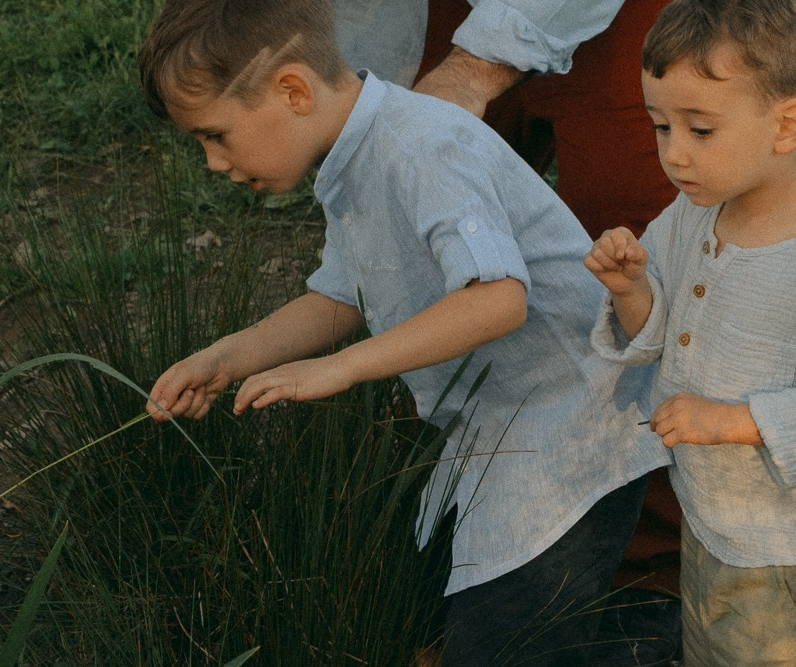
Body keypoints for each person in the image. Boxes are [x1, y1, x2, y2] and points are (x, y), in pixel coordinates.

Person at [138, 1, 671, 663]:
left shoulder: (422, 142)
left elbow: (498, 300)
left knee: (510, 642)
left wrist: (342, 367)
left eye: (215, 134)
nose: (213, 162)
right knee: (490, 628)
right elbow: (342, 295)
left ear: (294, 91)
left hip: (572, 436)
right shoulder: (353, 157)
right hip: (509, 430)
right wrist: (225, 358)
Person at [584, 0, 796, 662]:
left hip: (777, 550)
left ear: (786, 123)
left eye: (700, 130)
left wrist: (735, 420)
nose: (674, 154)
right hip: (709, 520)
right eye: (659, 126)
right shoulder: (691, 213)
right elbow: (659, 331)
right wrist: (633, 292)